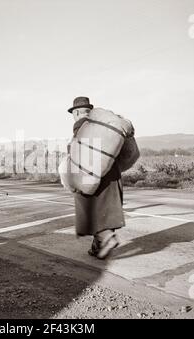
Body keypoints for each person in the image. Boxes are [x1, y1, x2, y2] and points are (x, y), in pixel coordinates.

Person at [68, 97, 125, 260]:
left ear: (77, 112)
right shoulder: (103, 126)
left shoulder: (81, 125)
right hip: (113, 173)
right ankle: (97, 248)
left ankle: (107, 237)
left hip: (92, 173)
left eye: (74, 113)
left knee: (88, 209)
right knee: (107, 211)